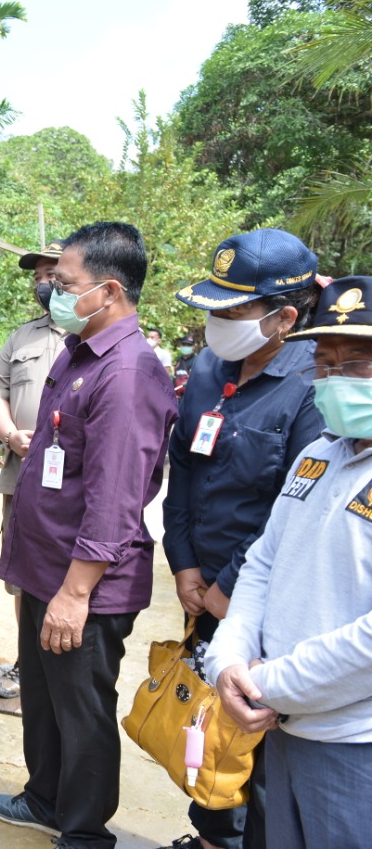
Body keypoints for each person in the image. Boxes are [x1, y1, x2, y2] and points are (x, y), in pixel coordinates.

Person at [0, 222, 177, 849]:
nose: (51, 294)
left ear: (110, 290)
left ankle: (85, 831)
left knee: (81, 709)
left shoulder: (129, 372)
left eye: (64, 284)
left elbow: (116, 498)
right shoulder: (78, 349)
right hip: (45, 565)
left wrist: (74, 593)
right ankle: (45, 797)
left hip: (83, 583)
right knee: (42, 696)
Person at [160, 228, 323, 849]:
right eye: (212, 308)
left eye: (232, 311)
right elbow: (185, 471)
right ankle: (208, 835)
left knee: (254, 734)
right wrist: (183, 566)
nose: (216, 322)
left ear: (284, 317)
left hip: (263, 604)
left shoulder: (312, 385)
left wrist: (230, 587)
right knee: (205, 721)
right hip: (201, 586)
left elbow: (291, 508)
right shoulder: (208, 367)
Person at [206, 274, 372, 849]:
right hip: (278, 723)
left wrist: (268, 683)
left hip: (353, 742)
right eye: (325, 364)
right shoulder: (316, 455)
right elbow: (263, 566)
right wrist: (227, 661)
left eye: (356, 365)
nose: (334, 380)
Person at [0, 238, 68, 700]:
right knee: (22, 571)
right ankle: (26, 663)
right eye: (38, 277)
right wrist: (11, 435)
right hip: (23, 473)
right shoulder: (23, 336)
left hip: (72, 480)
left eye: (53, 273)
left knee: (70, 567)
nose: (44, 283)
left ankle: (63, 667)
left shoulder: (94, 335)